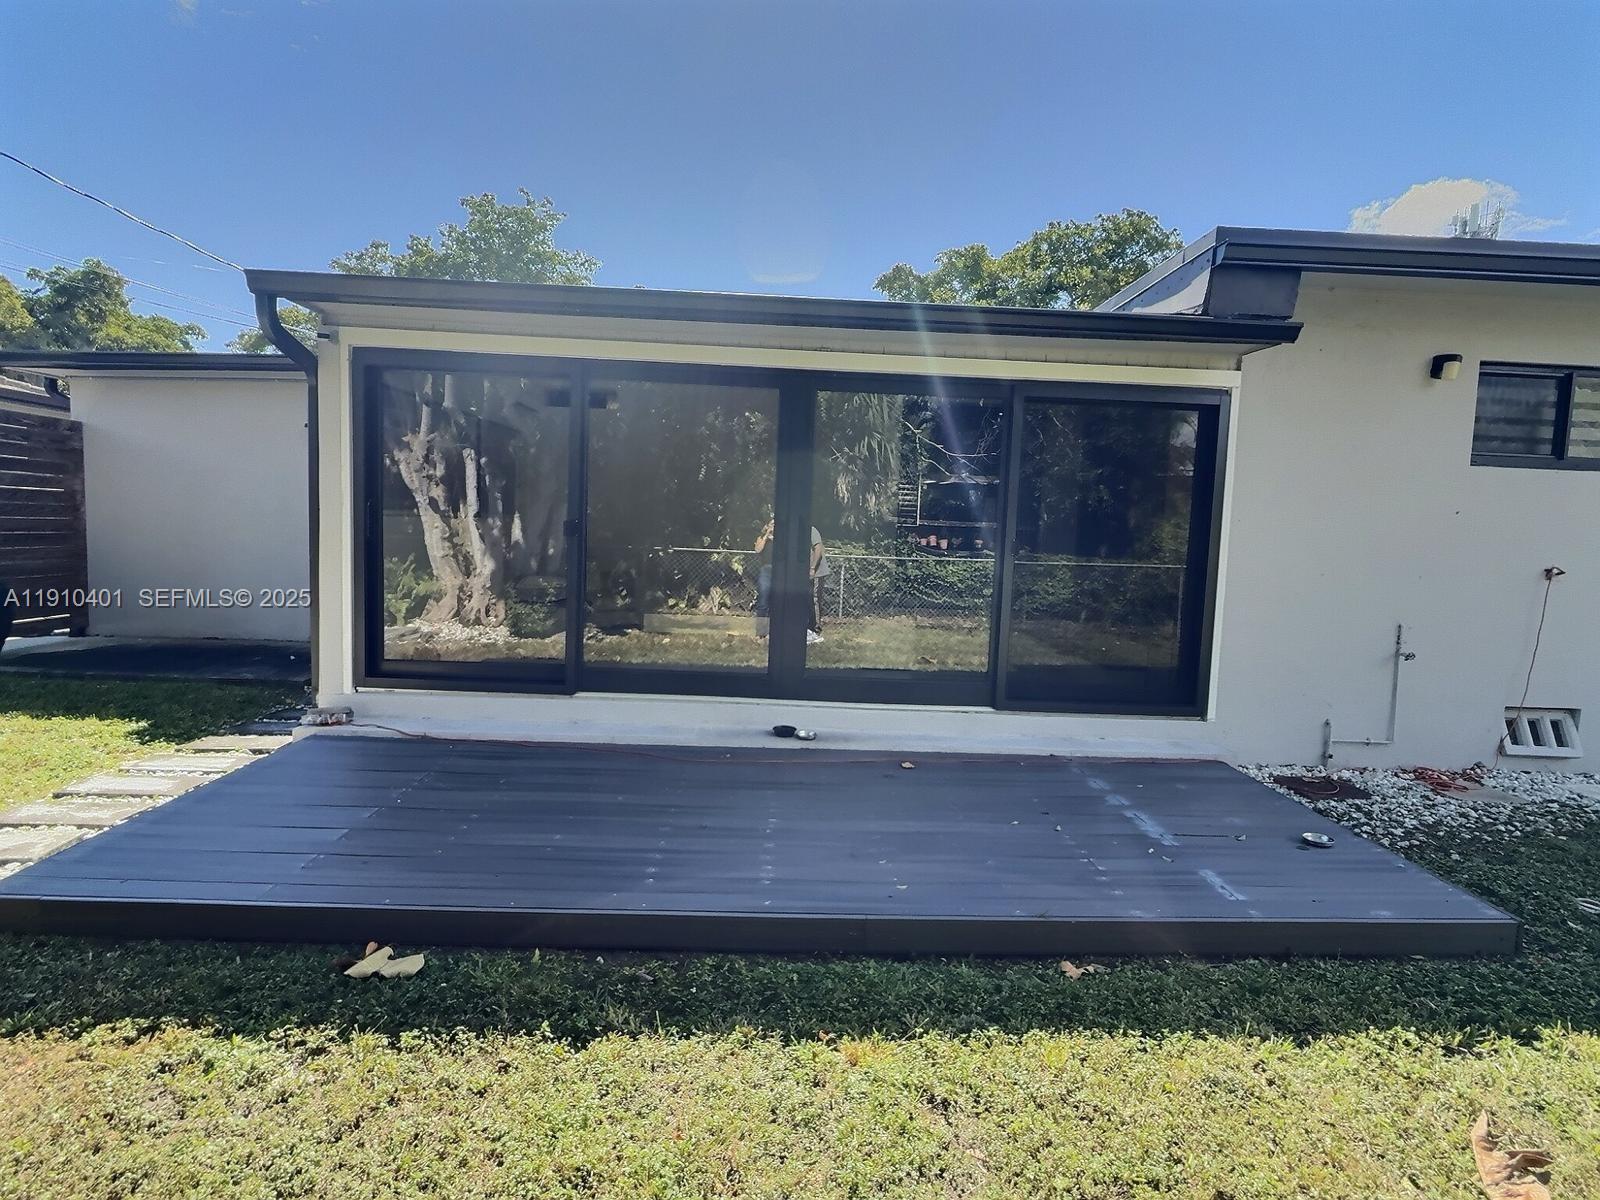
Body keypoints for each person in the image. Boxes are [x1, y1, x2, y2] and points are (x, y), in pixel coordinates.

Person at [752, 519, 829, 645]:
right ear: (767, 525)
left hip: (783, 572)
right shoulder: (763, 537)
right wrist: (767, 535)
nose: (774, 526)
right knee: (763, 602)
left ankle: (811, 631)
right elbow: (758, 550)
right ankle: (761, 633)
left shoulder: (787, 537)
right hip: (767, 571)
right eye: (772, 523)